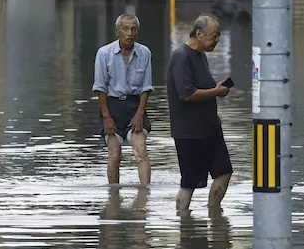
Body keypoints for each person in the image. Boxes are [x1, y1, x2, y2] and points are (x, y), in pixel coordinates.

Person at [166, 14, 233, 211]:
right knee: (189, 182)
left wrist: (217, 89)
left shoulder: (201, 56)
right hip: (189, 132)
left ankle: (214, 214)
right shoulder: (181, 56)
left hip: (211, 128)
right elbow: (187, 94)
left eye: (219, 36)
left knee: (224, 172)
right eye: (214, 36)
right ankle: (184, 224)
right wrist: (216, 91)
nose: (217, 40)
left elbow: (204, 87)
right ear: (198, 34)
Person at [92, 14, 154, 186]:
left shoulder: (144, 53)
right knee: (114, 155)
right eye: (125, 29)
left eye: (133, 29)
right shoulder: (104, 54)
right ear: (118, 31)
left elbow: (146, 87)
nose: (129, 33)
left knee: (140, 151)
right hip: (112, 106)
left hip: (135, 106)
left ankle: (145, 194)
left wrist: (140, 113)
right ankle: (114, 196)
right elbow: (100, 88)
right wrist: (107, 117)